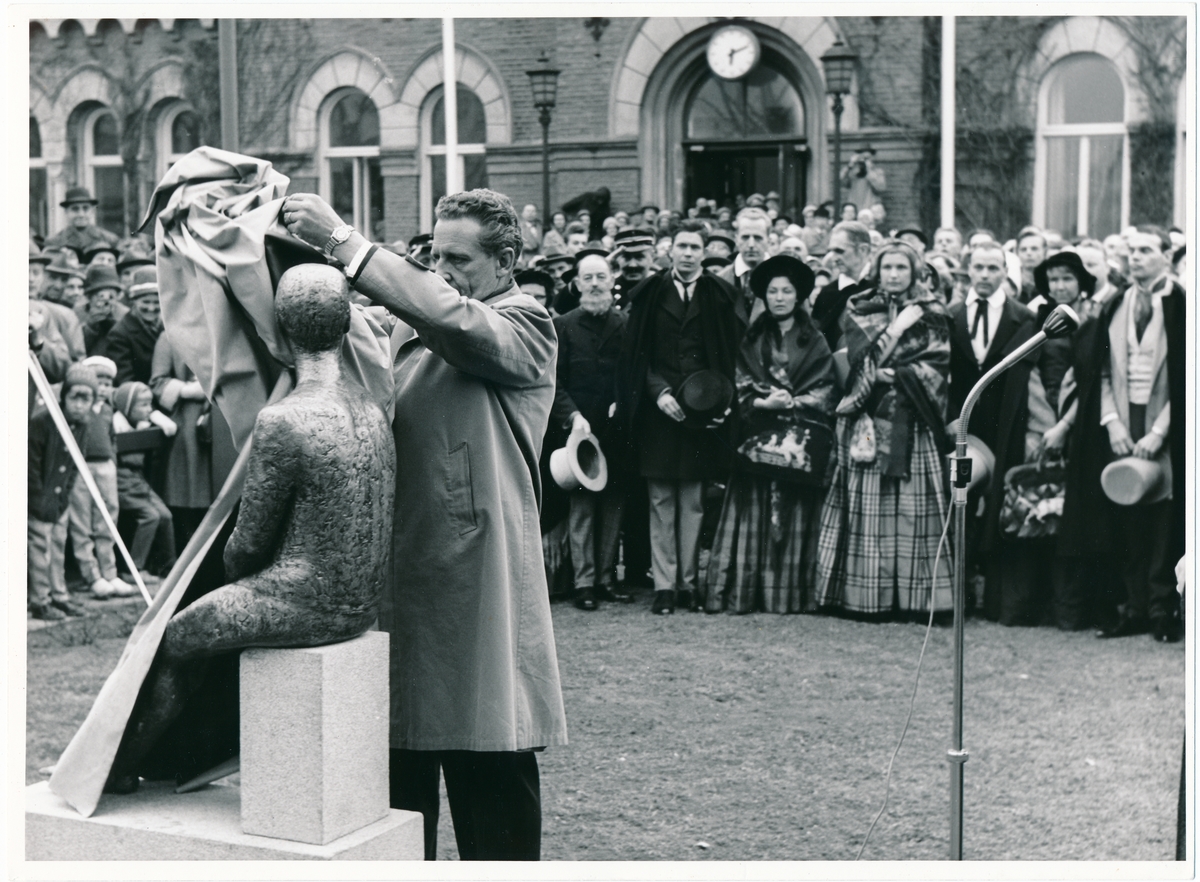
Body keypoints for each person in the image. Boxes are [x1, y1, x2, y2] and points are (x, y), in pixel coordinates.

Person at [283, 187, 566, 860]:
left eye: (459, 259)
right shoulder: (408, 323)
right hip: (401, 575)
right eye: (434, 255)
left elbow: (455, 321)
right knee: (397, 789)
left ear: (507, 261)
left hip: (477, 583)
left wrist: (343, 242)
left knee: (488, 764)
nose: (441, 270)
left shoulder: (526, 324)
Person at [814, 240, 953, 618]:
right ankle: (864, 598)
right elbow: (859, 366)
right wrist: (896, 329)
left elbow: (937, 366)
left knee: (911, 508)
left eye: (901, 267)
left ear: (915, 271)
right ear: (877, 270)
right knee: (867, 507)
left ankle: (915, 601)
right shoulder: (860, 306)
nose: (893, 274)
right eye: (887, 267)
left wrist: (897, 375)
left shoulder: (932, 312)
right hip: (867, 421)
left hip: (912, 422)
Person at [1065, 227, 1184, 642]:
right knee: (1126, 511)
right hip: (1120, 419)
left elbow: (1190, 378)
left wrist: (1160, 430)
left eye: (1146, 250)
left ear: (1167, 256)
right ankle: (1133, 607)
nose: (1135, 257)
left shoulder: (1184, 304)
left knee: (1165, 518)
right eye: (1132, 251)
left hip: (1169, 422)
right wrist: (1111, 420)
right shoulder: (1115, 303)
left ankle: (1162, 608)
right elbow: (1097, 370)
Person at [615, 221, 739, 615]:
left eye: (694, 247)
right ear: (670, 250)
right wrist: (660, 393)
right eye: (681, 246)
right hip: (660, 413)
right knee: (661, 499)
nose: (687, 253)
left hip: (702, 412)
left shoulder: (720, 294)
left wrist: (720, 403)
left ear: (705, 252)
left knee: (693, 501)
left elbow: (729, 355)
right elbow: (638, 355)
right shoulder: (650, 292)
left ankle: (688, 584)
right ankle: (665, 586)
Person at [704, 255, 835, 614]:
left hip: (797, 444)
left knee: (794, 512)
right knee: (753, 511)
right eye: (773, 291)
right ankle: (747, 591)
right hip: (759, 439)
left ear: (798, 296)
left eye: (786, 291)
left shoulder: (815, 339)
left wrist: (794, 401)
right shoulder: (751, 338)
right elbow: (739, 382)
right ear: (764, 295)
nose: (779, 298)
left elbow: (826, 387)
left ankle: (791, 594)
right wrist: (762, 402)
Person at [947, 240, 1036, 617]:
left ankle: (998, 600)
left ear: (1005, 272)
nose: (984, 275)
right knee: (959, 501)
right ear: (968, 269)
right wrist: (949, 418)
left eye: (993, 268)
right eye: (978, 267)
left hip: (1005, 426)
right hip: (959, 426)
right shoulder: (950, 314)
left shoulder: (1024, 318)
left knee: (999, 507)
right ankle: (959, 593)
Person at [551, 251, 629, 611]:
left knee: (613, 506)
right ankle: (583, 583)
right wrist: (572, 416)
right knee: (582, 507)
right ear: (577, 284)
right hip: (579, 432)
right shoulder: (563, 325)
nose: (595, 284)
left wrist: (622, 402)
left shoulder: (626, 324)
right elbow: (553, 382)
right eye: (588, 278)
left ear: (612, 280)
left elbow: (633, 374)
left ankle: (605, 579)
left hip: (616, 430)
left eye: (601, 277)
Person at [29, 364, 97, 621]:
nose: (79, 405)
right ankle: (40, 600)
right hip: (38, 499)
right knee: (39, 549)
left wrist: (64, 497)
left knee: (57, 547)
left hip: (59, 501)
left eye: (85, 399)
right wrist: (38, 499)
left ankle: (59, 594)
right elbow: (31, 466)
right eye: (74, 398)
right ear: (64, 396)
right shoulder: (42, 423)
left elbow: (74, 467)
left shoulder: (82, 427)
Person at [67, 356, 136, 600]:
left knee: (107, 519)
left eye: (108, 383)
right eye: (100, 382)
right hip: (82, 468)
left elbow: (112, 440)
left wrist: (112, 463)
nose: (104, 388)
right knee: (81, 521)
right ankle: (92, 575)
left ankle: (110, 573)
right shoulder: (79, 411)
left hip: (106, 467)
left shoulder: (107, 410)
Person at [150, 331, 215, 552]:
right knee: (188, 490)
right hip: (188, 422)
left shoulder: (220, 329)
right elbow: (158, 382)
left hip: (222, 419)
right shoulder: (169, 337)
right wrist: (188, 391)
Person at [112, 381, 177, 585]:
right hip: (121, 480)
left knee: (165, 515)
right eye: (143, 405)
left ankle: (168, 567)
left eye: (150, 404)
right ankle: (133, 569)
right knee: (150, 516)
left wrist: (155, 415)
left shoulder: (143, 424)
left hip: (138, 480)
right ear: (128, 407)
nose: (149, 409)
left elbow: (171, 428)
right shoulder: (115, 425)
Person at [811, 220, 874, 350]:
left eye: (839, 251)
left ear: (863, 250)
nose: (833, 258)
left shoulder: (882, 287)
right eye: (831, 251)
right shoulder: (827, 293)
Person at [101, 266, 163, 385]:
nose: (151, 308)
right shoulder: (119, 334)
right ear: (133, 301)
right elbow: (125, 380)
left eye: (156, 302)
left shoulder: (166, 328)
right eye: (145, 302)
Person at [716, 207, 771, 324]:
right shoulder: (719, 280)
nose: (751, 244)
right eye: (745, 237)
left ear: (768, 240)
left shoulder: (787, 279)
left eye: (758, 238)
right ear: (736, 239)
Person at [42, 186, 121, 256]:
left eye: (85, 208)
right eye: (75, 209)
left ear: (92, 211)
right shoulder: (54, 242)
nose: (81, 214)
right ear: (66, 212)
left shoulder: (109, 239)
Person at [77, 263, 128, 355]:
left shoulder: (124, 315)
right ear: (89, 297)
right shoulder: (77, 314)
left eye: (111, 297)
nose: (106, 302)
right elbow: (76, 348)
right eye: (100, 296)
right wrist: (90, 326)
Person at [610, 228, 657, 310]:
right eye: (626, 258)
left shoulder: (660, 287)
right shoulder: (609, 289)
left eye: (639, 257)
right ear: (617, 259)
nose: (632, 265)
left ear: (652, 257)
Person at [841, 146, 886, 212]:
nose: (864, 160)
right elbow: (841, 181)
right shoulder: (853, 172)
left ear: (872, 158)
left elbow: (881, 188)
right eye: (862, 157)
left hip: (871, 209)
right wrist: (850, 165)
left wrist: (869, 170)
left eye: (867, 158)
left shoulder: (878, 172)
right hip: (854, 208)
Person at [1015, 227, 1048, 303]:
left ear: (1045, 251)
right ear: (1017, 252)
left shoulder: (1051, 280)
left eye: (1034, 249)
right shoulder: (1012, 283)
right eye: (1023, 249)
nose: (1028, 253)